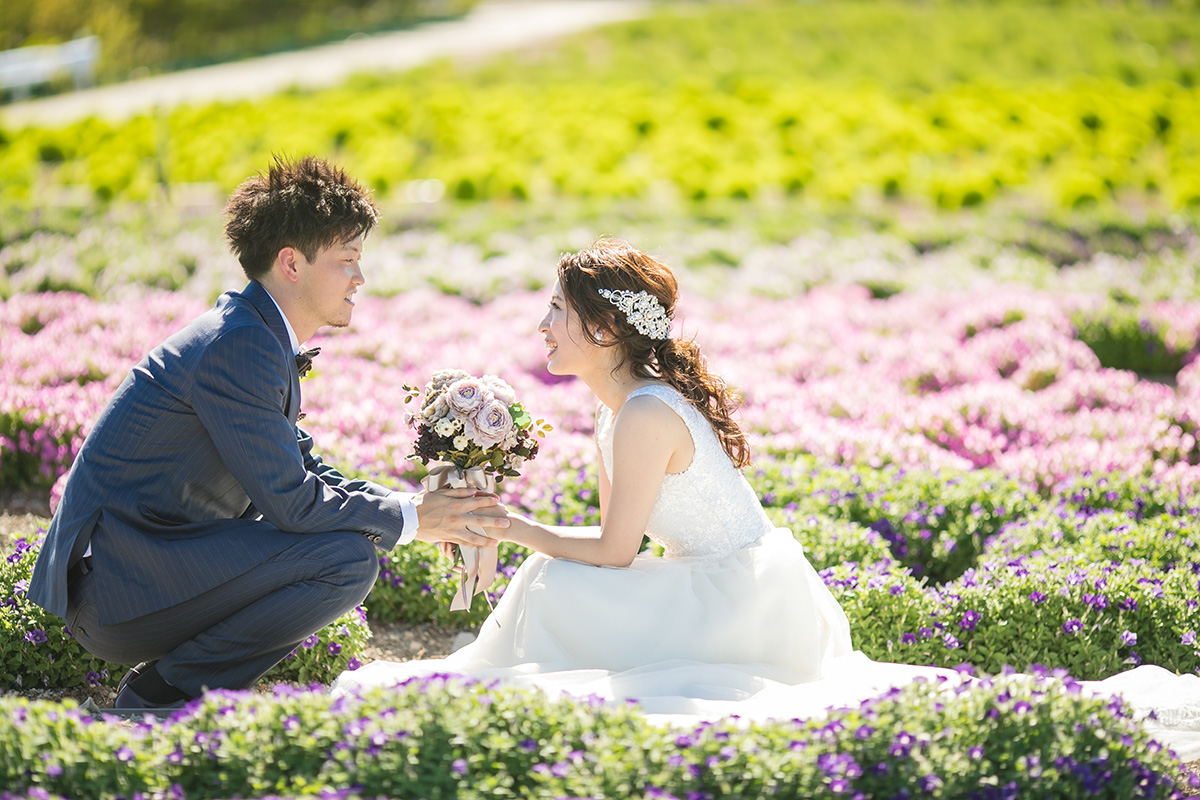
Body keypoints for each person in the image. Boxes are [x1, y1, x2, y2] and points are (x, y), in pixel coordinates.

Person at [333, 239, 1200, 762]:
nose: (543, 328)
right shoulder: (620, 410)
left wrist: (509, 526)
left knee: (554, 582)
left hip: (740, 601)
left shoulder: (640, 414)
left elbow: (612, 554)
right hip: (735, 585)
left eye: (555, 313)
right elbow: (617, 546)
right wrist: (495, 511)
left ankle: (511, 675)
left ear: (605, 329)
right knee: (549, 582)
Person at [27, 155, 507, 711]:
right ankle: (159, 696)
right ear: (291, 263)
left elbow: (303, 472)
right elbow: (291, 501)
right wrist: (415, 518)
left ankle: (161, 690)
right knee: (346, 561)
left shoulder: (252, 333)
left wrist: (421, 507)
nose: (360, 278)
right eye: (348, 259)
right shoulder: (241, 343)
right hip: (122, 587)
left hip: (145, 570)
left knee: (347, 551)